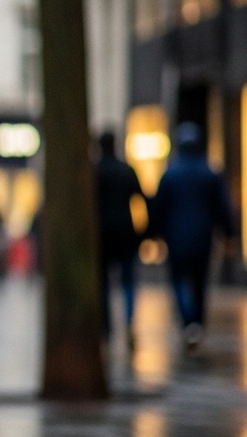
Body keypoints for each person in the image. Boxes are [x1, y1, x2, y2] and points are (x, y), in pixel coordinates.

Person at [150, 123, 233, 353]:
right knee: (200, 281)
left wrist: (154, 234)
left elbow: (158, 206)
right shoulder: (210, 172)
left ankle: (189, 321)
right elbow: (223, 207)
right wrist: (228, 233)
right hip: (203, 238)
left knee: (179, 280)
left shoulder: (170, 174)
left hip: (176, 238)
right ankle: (196, 321)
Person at [95, 132, 144, 346]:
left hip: (102, 234)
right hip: (125, 232)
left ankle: (107, 328)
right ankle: (129, 321)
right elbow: (142, 199)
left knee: (104, 283)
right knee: (128, 280)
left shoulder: (94, 171)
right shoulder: (126, 170)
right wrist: (144, 231)